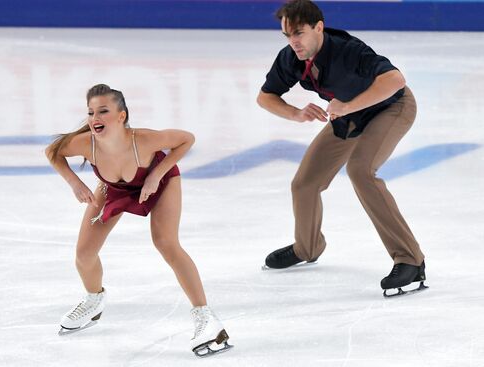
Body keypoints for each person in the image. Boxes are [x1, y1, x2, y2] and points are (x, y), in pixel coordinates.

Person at [45, 84, 232, 355]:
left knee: (166, 243)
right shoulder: (85, 144)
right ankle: (94, 300)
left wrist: (156, 175)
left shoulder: (143, 139)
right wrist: (75, 183)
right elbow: (53, 152)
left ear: (121, 116)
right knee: (84, 254)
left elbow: (186, 139)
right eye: (91, 112)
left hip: (160, 181)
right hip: (114, 188)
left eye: (103, 111)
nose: (95, 118)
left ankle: (207, 319)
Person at [257, 0, 427, 296]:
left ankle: (410, 260)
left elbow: (395, 80)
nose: (293, 42)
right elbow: (266, 96)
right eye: (287, 35)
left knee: (361, 171)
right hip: (348, 116)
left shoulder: (348, 50)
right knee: (304, 183)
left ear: (318, 28)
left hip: (392, 106)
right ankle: (307, 247)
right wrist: (295, 113)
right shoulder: (291, 58)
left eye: (298, 33)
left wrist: (348, 105)